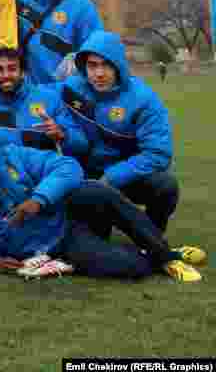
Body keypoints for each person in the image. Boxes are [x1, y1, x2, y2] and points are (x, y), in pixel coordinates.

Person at [0, 135, 203, 281]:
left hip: (65, 222)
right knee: (128, 267)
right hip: (53, 249)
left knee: (94, 190)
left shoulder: (13, 156)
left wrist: (39, 199)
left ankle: (168, 255)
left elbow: (68, 167)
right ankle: (156, 256)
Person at [59, 31, 181, 232]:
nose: (99, 73)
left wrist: (111, 178)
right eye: (92, 65)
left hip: (127, 174)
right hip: (85, 173)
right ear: (83, 66)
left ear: (119, 66)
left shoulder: (144, 99)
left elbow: (158, 154)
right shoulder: (72, 87)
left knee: (165, 186)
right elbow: (36, 93)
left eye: (106, 64)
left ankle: (151, 237)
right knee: (95, 245)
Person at [0, 47, 86, 154]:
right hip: (1, 172)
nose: (6, 75)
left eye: (12, 69)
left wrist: (63, 134)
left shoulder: (49, 99)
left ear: (23, 73)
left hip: (45, 171)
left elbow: (82, 144)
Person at [16, 0, 103, 84]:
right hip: (25, 92)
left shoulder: (81, 6)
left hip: (64, 93)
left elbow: (96, 48)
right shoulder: (17, 2)